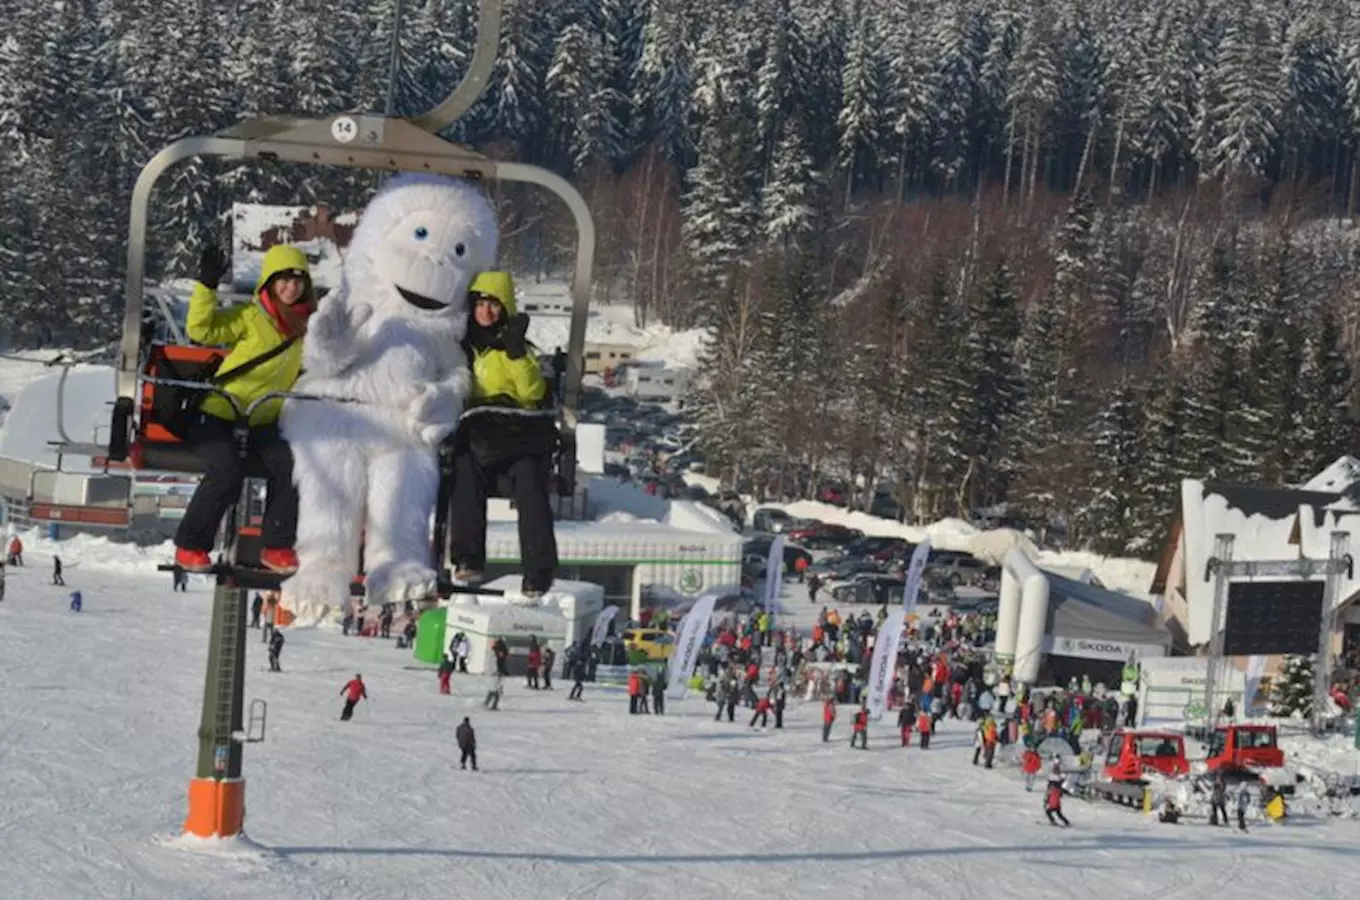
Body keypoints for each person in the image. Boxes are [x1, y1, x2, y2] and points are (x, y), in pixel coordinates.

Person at [173, 243, 315, 575]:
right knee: (227, 470)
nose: (290, 288)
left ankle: (277, 545)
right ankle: (190, 544)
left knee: (293, 466)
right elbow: (201, 330)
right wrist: (206, 288)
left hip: (262, 421)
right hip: (218, 413)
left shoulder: (308, 328)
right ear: (269, 282)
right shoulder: (252, 317)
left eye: (297, 281)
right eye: (283, 280)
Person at [448, 272, 559, 597]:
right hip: (479, 436)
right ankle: (467, 557)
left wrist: (515, 355)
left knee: (530, 483)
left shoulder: (517, 349)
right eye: (480, 304)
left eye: (494, 304)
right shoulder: (461, 347)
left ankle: (538, 570)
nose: (487, 312)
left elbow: (533, 392)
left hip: (517, 435)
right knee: (463, 469)